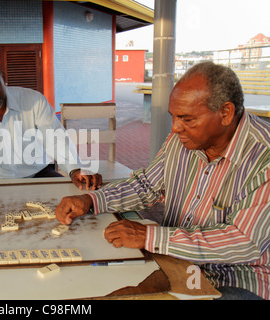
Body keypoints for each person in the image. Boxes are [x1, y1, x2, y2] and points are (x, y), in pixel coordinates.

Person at [55, 62, 269, 300]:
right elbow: (145, 185)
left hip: (236, 279)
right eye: (174, 117)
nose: (175, 128)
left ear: (225, 113)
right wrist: (91, 200)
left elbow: (243, 241)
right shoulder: (181, 140)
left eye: (187, 119)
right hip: (174, 260)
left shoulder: (263, 157)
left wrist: (149, 237)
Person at [0, 57, 102, 190]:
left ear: (3, 78)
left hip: (38, 174)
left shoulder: (33, 100)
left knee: (70, 199)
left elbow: (55, 139)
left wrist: (74, 169)